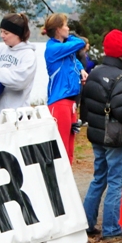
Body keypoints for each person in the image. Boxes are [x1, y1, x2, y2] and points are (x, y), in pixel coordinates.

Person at [79, 29, 122, 239]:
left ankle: (87, 222)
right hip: (114, 136)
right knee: (116, 181)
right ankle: (111, 228)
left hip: (97, 133)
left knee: (99, 178)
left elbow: (86, 105)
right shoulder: (121, 77)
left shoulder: (95, 72)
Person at [44, 13, 87, 162]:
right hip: (59, 101)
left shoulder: (63, 48)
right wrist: (69, 37)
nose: (68, 28)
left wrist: (81, 69)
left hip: (71, 103)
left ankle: (67, 182)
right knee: (60, 149)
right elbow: (81, 43)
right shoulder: (53, 48)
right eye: (65, 26)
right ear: (57, 30)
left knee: (69, 150)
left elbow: (73, 60)